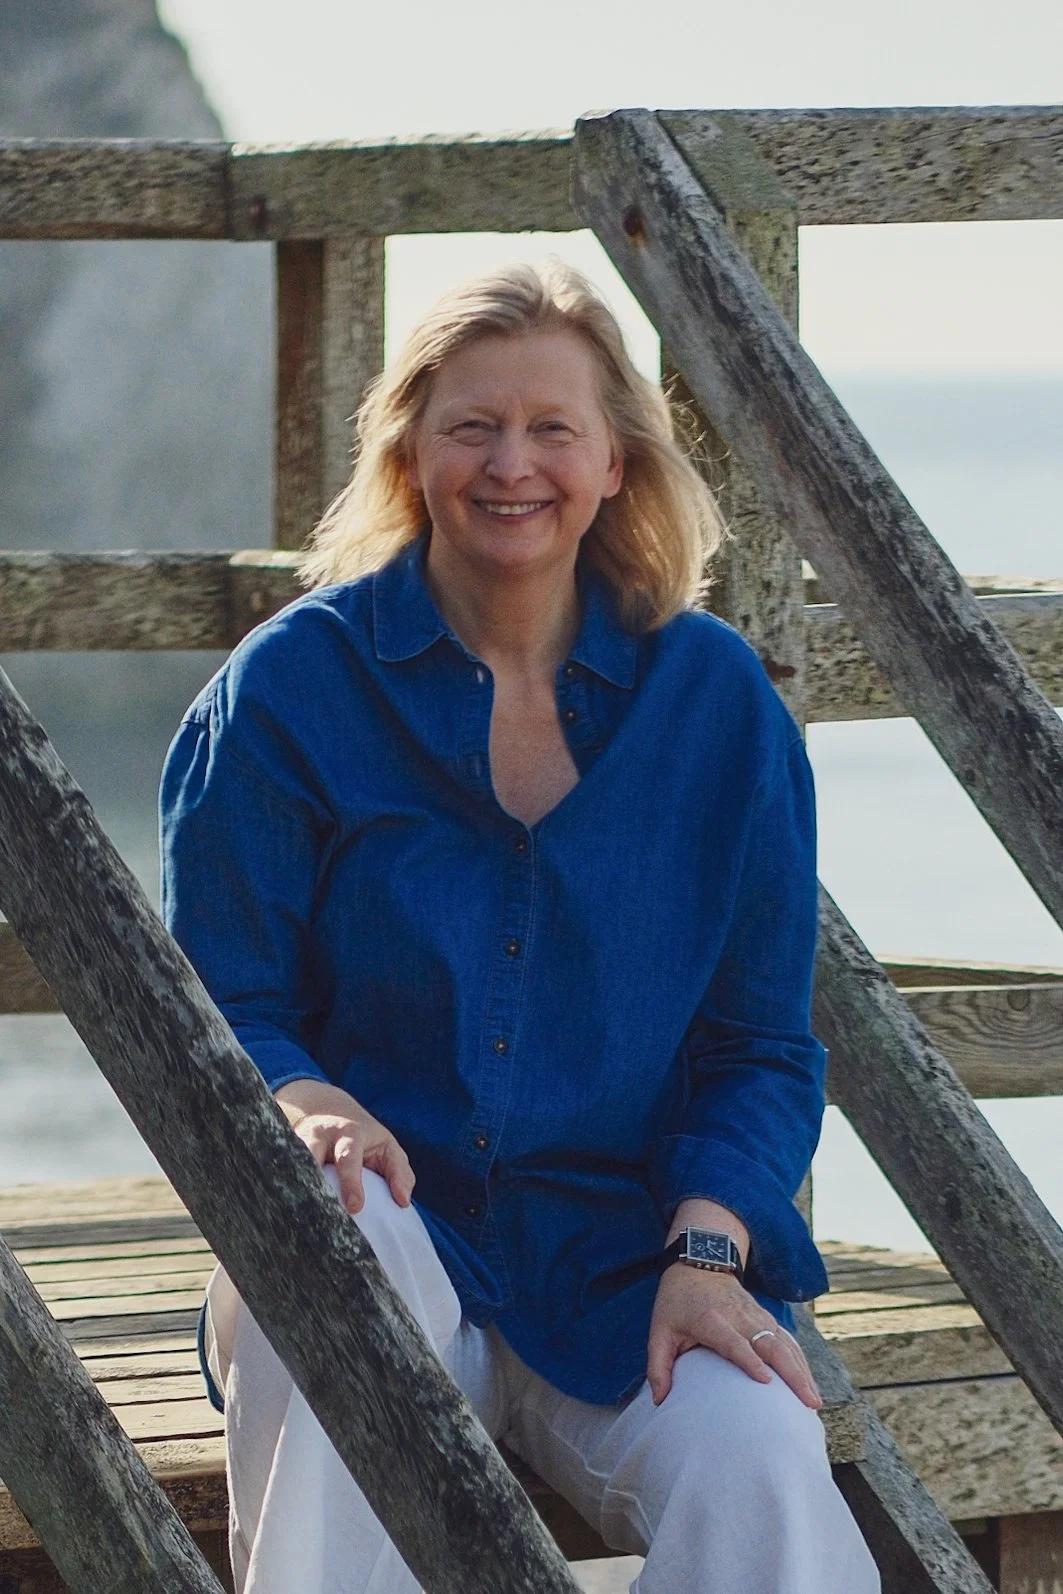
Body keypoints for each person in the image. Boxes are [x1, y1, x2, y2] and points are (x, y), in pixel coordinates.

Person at [159, 260, 880, 1594]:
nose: (512, 464)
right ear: (410, 453)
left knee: (763, 1457)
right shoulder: (289, 691)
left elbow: (757, 1045)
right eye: (471, 426)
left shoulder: (715, 706)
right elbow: (211, 1008)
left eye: (552, 428)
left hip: (622, 1272)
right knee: (337, 1208)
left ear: (615, 462)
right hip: (389, 1248)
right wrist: (302, 1091)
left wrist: (708, 1247)